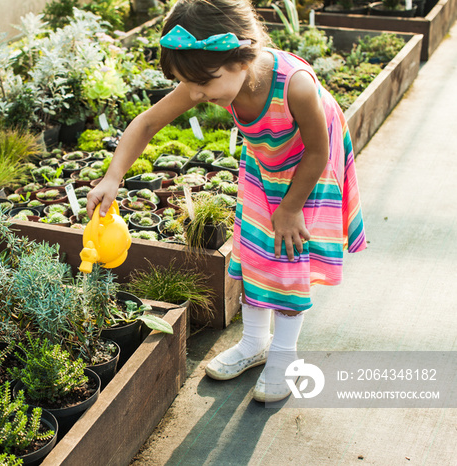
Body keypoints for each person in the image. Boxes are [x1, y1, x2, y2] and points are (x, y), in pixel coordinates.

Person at [86, 0, 367, 401]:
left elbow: (319, 152)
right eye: (190, 84)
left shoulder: (296, 85)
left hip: (308, 169)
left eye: (204, 83)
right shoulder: (210, 77)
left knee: (288, 257)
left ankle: (284, 356)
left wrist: (289, 209)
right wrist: (112, 178)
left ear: (243, 57)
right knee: (253, 248)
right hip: (264, 162)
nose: (197, 94)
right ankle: (254, 342)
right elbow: (147, 122)